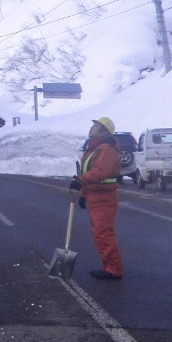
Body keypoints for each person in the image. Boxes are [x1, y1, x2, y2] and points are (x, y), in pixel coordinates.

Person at [70, 116, 124, 280]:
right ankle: (110, 266)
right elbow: (90, 171)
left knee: (103, 233)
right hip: (96, 195)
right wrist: (84, 194)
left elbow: (100, 172)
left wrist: (81, 181)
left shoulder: (106, 149)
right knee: (100, 233)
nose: (92, 128)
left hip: (104, 198)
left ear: (103, 130)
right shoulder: (96, 148)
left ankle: (113, 269)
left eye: (96, 126)